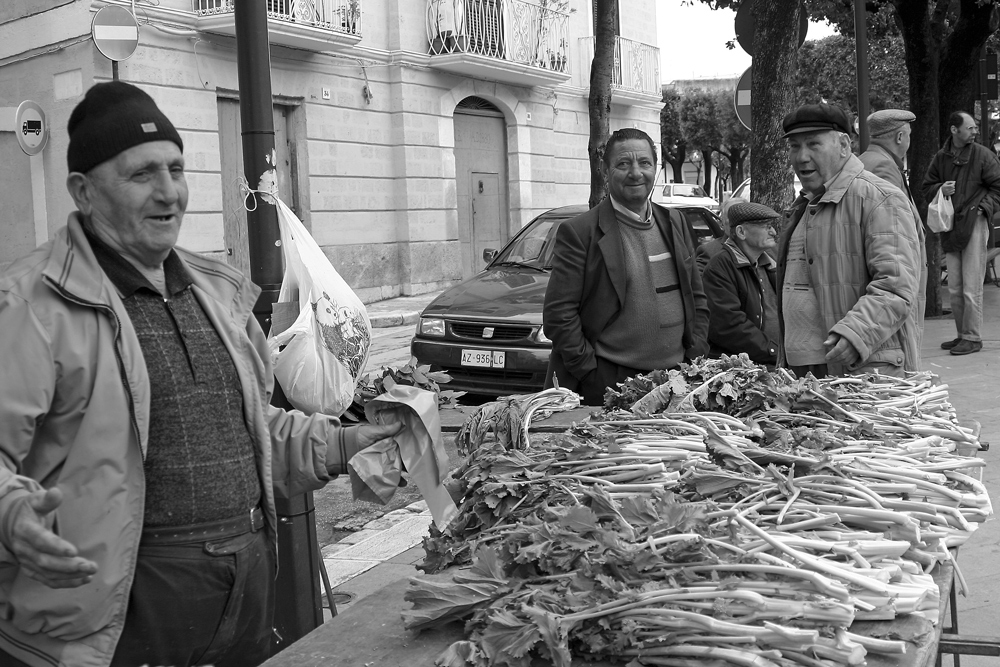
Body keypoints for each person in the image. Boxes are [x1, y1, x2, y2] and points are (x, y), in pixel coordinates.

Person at [0, 81, 402, 667]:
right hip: (112, 616)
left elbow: (246, 430)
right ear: (83, 192)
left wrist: (342, 441)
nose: (169, 192)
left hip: (242, 595)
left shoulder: (215, 291)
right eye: (141, 174)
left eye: (177, 169)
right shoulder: (30, 304)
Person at [543, 127, 709, 405]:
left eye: (644, 163)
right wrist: (590, 372)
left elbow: (697, 296)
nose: (636, 173)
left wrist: (696, 353)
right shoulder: (580, 232)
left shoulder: (675, 222)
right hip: (611, 381)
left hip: (676, 380)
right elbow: (559, 314)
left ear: (655, 168)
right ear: (606, 171)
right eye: (623, 164)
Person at [775, 103, 921, 378]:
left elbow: (896, 287)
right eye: (795, 146)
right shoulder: (803, 205)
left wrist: (856, 334)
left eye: (814, 144)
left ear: (844, 145)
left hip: (861, 371)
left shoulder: (879, 198)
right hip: (805, 372)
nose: (802, 157)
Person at [922, 111, 1000, 356]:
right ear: (954, 130)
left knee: (971, 285)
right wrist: (940, 189)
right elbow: (927, 186)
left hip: (974, 223)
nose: (975, 131)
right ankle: (962, 335)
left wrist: (982, 210)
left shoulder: (983, 155)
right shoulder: (941, 158)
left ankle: (972, 337)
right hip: (951, 226)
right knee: (955, 287)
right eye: (970, 127)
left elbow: (998, 187)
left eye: (975, 127)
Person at [859, 108, 927, 350]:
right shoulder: (883, 167)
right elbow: (891, 231)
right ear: (900, 137)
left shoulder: (868, 160)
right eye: (908, 135)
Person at [702, 202, 780, 366]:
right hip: (743, 368)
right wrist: (774, 352)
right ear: (741, 232)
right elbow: (729, 326)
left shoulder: (769, 261)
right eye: (766, 227)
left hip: (771, 361)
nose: (773, 231)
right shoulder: (720, 266)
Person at [695, 195, 748, 273]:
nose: (739, 221)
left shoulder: (764, 247)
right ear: (721, 224)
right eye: (733, 216)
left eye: (744, 216)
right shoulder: (710, 252)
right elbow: (699, 282)